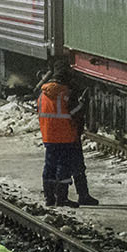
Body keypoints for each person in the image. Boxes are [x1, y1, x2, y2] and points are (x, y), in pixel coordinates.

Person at [38, 62, 98, 206]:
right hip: (67, 136)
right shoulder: (65, 93)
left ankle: (49, 197)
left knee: (50, 166)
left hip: (49, 136)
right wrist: (83, 104)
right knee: (67, 166)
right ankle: (66, 197)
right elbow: (73, 112)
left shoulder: (42, 94)